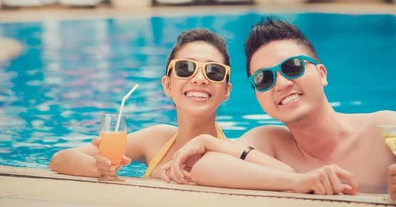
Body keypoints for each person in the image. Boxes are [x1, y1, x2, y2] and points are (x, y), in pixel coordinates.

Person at [161, 17, 396, 201]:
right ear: (259, 95)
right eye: (264, 78)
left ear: (321, 73)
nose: (280, 83)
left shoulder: (388, 128)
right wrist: (299, 182)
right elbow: (204, 170)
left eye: (292, 67)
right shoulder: (271, 141)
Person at [49, 28, 289, 180]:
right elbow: (60, 158)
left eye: (214, 71)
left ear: (226, 91)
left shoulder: (231, 151)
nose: (199, 78)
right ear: (167, 85)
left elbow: (291, 177)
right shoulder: (155, 139)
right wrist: (97, 168)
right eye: (186, 68)